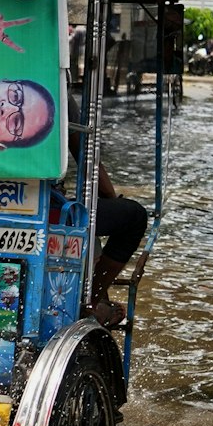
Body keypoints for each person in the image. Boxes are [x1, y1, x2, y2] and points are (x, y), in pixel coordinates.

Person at [59, 92, 148, 328]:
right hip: (45, 206)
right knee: (134, 217)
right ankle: (91, 301)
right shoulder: (52, 85)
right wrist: (109, 196)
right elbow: (84, 155)